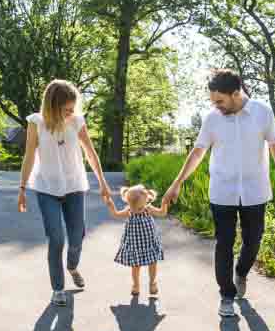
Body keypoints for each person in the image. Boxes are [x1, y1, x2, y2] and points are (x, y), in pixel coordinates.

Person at [162, 70, 275, 317]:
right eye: (213, 102)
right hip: (222, 191)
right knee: (224, 242)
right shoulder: (212, 119)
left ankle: (242, 272)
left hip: (255, 191)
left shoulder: (261, 112)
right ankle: (226, 294)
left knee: (253, 240)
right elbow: (198, 152)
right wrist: (177, 182)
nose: (216, 106)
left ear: (236, 94)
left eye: (220, 101)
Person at [18, 79, 111, 306]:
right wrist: (21, 188)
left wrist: (103, 183)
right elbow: (29, 155)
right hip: (46, 187)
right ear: (52, 105)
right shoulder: (36, 122)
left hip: (74, 186)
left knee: (77, 237)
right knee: (56, 239)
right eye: (66, 109)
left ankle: (72, 266)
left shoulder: (77, 121)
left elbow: (90, 152)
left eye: (73, 108)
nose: (71, 113)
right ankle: (58, 289)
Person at [104, 185, 168, 297]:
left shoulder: (148, 209)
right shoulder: (129, 210)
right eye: (132, 206)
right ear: (129, 203)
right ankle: (136, 285)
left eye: (138, 208)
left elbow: (162, 213)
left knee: (153, 263)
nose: (135, 210)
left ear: (146, 201)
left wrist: (165, 203)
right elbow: (116, 214)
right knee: (135, 266)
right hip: (135, 245)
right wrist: (110, 205)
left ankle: (152, 283)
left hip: (149, 243)